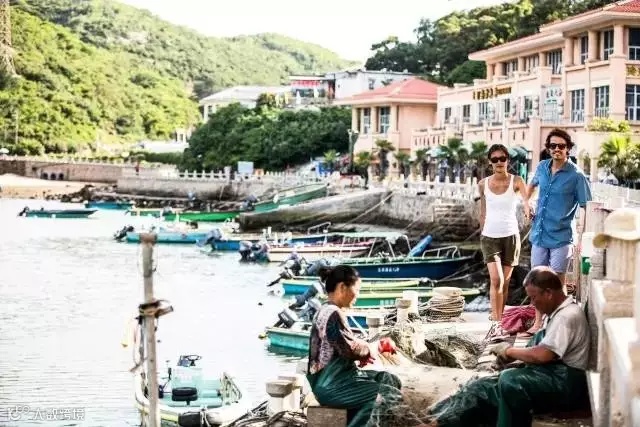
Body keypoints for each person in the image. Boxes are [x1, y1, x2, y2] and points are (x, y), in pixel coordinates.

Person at [424, 267, 591, 427]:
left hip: (566, 383)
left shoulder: (566, 317)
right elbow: (543, 353)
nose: (533, 304)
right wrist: (512, 358)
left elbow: (543, 355)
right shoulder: (556, 313)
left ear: (548, 293)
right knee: (481, 385)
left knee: (509, 380)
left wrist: (509, 350)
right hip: (552, 374)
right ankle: (437, 419)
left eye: (534, 298)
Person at [307, 265, 403, 427]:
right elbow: (350, 350)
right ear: (342, 287)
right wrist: (376, 347)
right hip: (332, 385)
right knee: (389, 394)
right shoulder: (332, 313)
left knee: (390, 379)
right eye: (357, 289)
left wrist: (364, 353)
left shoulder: (325, 309)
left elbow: (345, 346)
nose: (357, 295)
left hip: (338, 378)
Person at [525, 128, 592, 336]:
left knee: (556, 283)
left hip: (561, 236)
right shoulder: (542, 167)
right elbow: (531, 187)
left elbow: (586, 206)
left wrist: (582, 237)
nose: (557, 149)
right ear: (548, 148)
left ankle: (557, 325)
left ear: (568, 149)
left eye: (561, 146)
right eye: (553, 146)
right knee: (536, 281)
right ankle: (538, 323)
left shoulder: (576, 176)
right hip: (539, 233)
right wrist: (528, 204)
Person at [478, 144, 530, 341]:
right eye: (495, 159)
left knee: (505, 283)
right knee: (496, 280)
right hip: (489, 237)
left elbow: (526, 200)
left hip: (511, 236)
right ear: (490, 162)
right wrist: (482, 232)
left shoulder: (517, 181)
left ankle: (500, 322)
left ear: (508, 160)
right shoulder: (483, 184)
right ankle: (496, 324)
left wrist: (528, 208)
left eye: (502, 158)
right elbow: (483, 211)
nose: (499, 162)